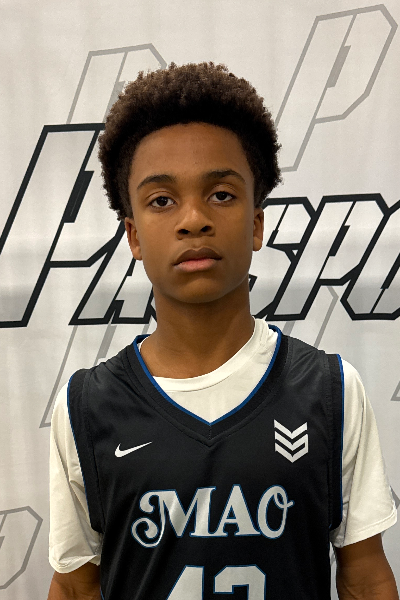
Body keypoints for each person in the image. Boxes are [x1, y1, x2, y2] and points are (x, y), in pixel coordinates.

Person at [47, 62, 398, 599]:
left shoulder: (330, 391)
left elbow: (365, 576)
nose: (193, 219)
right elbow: (75, 588)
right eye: (162, 200)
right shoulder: (86, 407)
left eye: (221, 194)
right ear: (134, 235)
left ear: (257, 223)